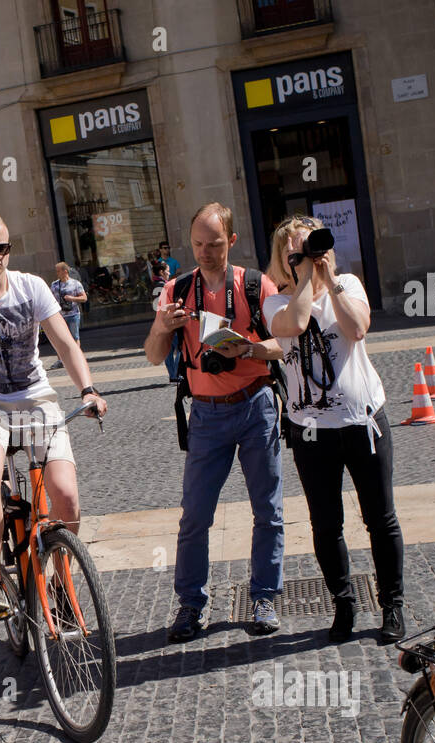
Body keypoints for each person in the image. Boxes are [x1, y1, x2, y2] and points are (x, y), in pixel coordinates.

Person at [0, 212, 107, 620]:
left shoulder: (32, 287)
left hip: (37, 398)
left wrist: (88, 389)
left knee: (66, 495)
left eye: (2, 247)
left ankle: (61, 578)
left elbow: (64, 342)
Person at [144, 202, 285, 642]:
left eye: (215, 244)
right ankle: (190, 605)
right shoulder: (177, 289)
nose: (206, 252)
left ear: (232, 241)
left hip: (255, 404)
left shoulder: (256, 284)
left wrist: (247, 349)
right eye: (199, 244)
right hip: (205, 413)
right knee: (195, 516)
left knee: (268, 510)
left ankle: (264, 597)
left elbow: (285, 344)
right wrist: (162, 329)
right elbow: (152, 355)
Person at [263, 214, 405, 644]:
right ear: (283, 260)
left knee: (380, 519)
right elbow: (296, 324)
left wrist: (329, 277)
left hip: (363, 420)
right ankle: (343, 605)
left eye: (313, 247)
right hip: (311, 431)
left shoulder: (350, 286)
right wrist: (305, 277)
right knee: (326, 525)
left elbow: (357, 328)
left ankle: (393, 605)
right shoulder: (275, 303)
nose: (307, 257)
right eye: (295, 253)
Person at [49, 262, 87, 371]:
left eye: (58, 271)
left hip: (73, 314)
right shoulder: (54, 285)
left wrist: (72, 298)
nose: (57, 273)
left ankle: (76, 358)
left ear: (65, 271)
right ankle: (61, 360)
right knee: (60, 339)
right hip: (59, 316)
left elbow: (84, 298)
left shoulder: (75, 283)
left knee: (74, 337)